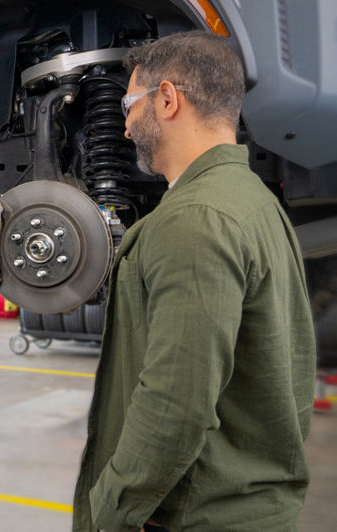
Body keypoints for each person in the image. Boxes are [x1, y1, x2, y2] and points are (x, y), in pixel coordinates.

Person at [73, 31, 315, 531]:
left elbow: (174, 404)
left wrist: (108, 515)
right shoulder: (254, 202)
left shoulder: (195, 219)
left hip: (201, 517)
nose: (124, 128)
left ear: (167, 99)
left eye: (128, 105)